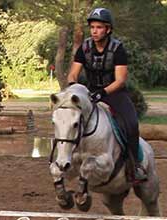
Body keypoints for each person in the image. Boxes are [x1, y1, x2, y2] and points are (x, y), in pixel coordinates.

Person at [67, 8, 147, 183]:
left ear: (108, 29)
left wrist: (102, 93)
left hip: (114, 93)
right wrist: (75, 88)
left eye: (99, 27)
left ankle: (136, 166)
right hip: (89, 92)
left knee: (132, 124)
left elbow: (120, 80)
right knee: (67, 119)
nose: (94, 31)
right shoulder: (84, 47)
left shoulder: (118, 49)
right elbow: (73, 74)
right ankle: (63, 158)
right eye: (93, 27)